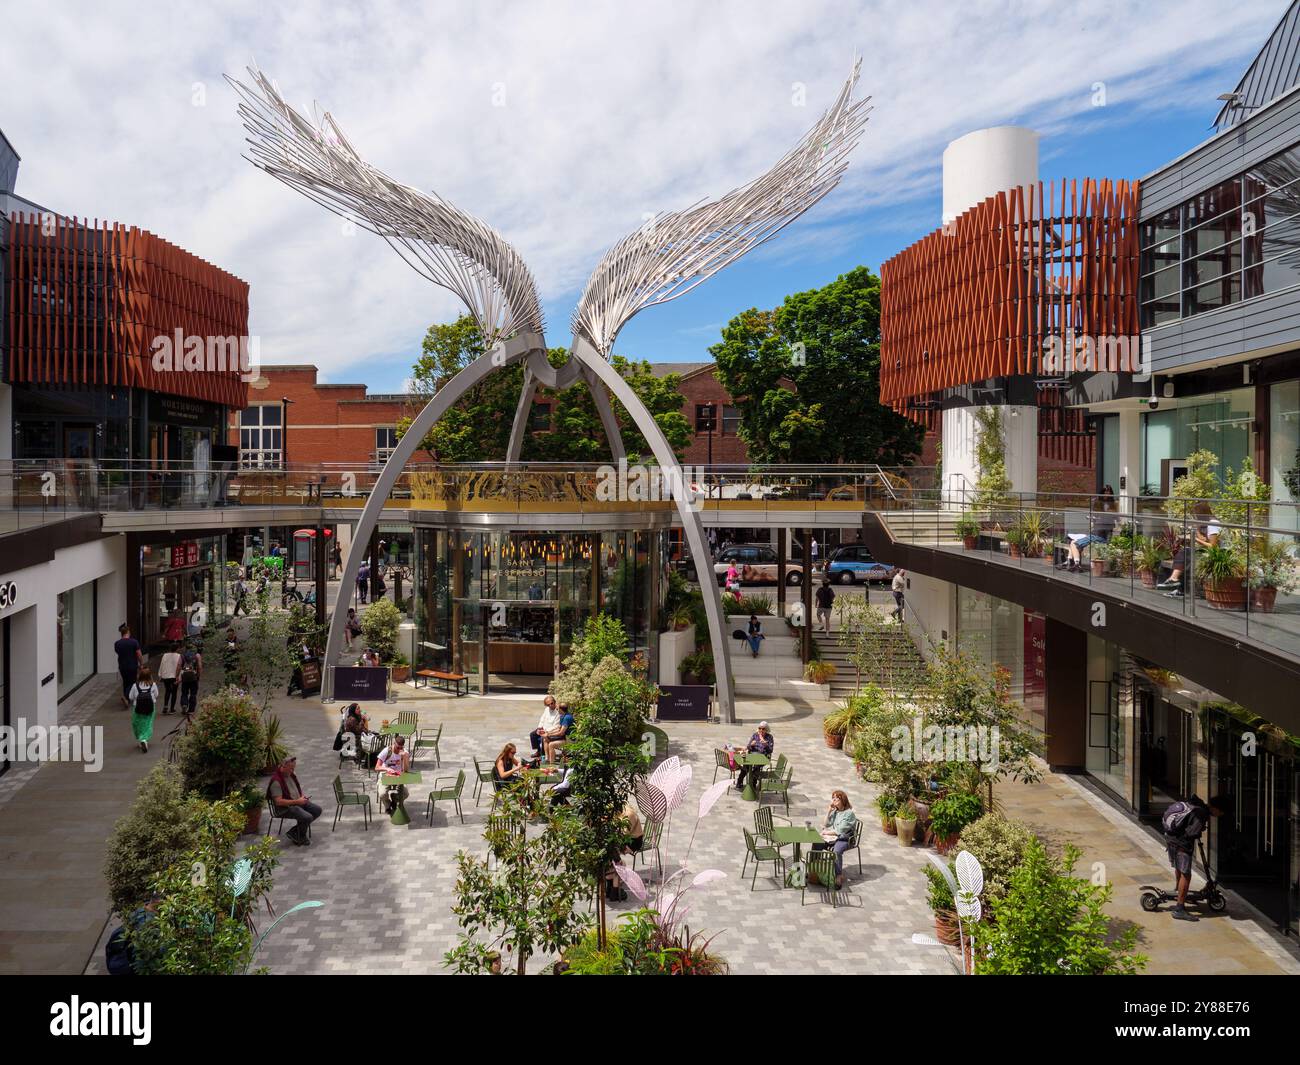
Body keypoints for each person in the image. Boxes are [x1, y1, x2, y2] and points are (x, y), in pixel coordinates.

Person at [1162, 794, 1226, 920]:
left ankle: (1179, 891)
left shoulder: (1197, 805)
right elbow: (1192, 833)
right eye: (1221, 812)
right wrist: (1200, 829)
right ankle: (1179, 909)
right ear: (1216, 809)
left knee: (1180, 869)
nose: (1220, 815)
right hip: (1181, 843)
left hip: (1171, 838)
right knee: (1186, 874)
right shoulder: (1201, 813)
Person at [268, 756, 321, 846]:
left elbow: (296, 789)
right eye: (291, 769)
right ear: (283, 767)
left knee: (317, 810)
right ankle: (300, 835)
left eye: (293, 768)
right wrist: (297, 802)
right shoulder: (276, 782)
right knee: (307, 817)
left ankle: (294, 832)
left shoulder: (290, 774)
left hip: (297, 802)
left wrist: (302, 797)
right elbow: (278, 802)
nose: (292, 771)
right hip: (285, 808)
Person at [811, 790, 858, 889]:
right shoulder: (836, 812)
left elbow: (840, 830)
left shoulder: (849, 813)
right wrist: (829, 811)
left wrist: (826, 833)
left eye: (837, 798)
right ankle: (813, 869)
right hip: (834, 837)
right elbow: (825, 824)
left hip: (845, 839)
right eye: (833, 798)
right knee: (816, 843)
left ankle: (838, 876)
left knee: (836, 851)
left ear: (843, 800)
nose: (834, 800)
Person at [1060, 493, 1117, 572]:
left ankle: (1075, 564)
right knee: (1072, 541)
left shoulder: (1106, 514)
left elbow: (1104, 528)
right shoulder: (1100, 514)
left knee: (1074, 543)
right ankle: (1070, 562)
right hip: (1095, 535)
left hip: (1098, 537)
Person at [734, 721, 774, 793]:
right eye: (759, 728)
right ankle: (739, 781)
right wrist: (751, 745)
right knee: (745, 765)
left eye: (763, 729)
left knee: (757, 766)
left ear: (766, 729)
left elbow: (770, 751)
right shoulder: (755, 735)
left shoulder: (769, 737)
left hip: (763, 756)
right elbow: (748, 747)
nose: (761, 730)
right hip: (752, 754)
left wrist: (766, 745)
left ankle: (753, 783)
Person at [375, 736, 411, 815]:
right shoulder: (387, 751)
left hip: (398, 776)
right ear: (394, 744)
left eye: (401, 748)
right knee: (382, 794)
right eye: (398, 747)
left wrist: (404, 758)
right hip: (386, 775)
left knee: (405, 794)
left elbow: (406, 770)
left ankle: (394, 799)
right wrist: (386, 769)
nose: (399, 750)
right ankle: (388, 806)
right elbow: (377, 767)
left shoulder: (405, 753)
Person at [127, 667, 159, 753]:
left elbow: (130, 697)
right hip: (150, 707)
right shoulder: (153, 685)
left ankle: (142, 739)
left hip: (138, 707)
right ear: (150, 676)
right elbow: (156, 695)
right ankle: (144, 739)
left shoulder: (135, 686)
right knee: (148, 724)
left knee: (137, 724)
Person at [157, 643, 182, 715]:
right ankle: (172, 709)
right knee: (174, 692)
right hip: (174, 676)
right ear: (177, 649)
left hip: (166, 675)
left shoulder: (165, 655)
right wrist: (179, 677)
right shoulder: (179, 656)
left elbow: (162, 665)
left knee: (167, 690)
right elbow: (179, 667)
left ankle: (165, 706)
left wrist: (160, 675)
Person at [178, 644, 202, 715]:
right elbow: (199, 666)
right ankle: (191, 710)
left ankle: (184, 704)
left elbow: (179, 666)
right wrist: (198, 675)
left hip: (185, 676)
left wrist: (177, 676)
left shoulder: (182, 655)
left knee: (184, 692)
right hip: (193, 676)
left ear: (186, 648)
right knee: (193, 693)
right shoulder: (197, 655)